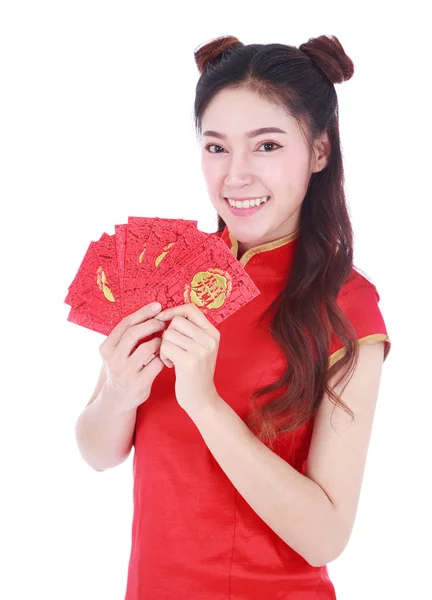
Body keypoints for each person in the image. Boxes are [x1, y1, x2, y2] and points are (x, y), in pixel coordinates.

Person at [75, 34, 391, 599]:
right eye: (216, 147)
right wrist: (118, 392)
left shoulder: (347, 306)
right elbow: (98, 453)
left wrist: (205, 404)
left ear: (319, 151)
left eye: (266, 146)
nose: (235, 176)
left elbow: (324, 537)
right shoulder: (164, 268)